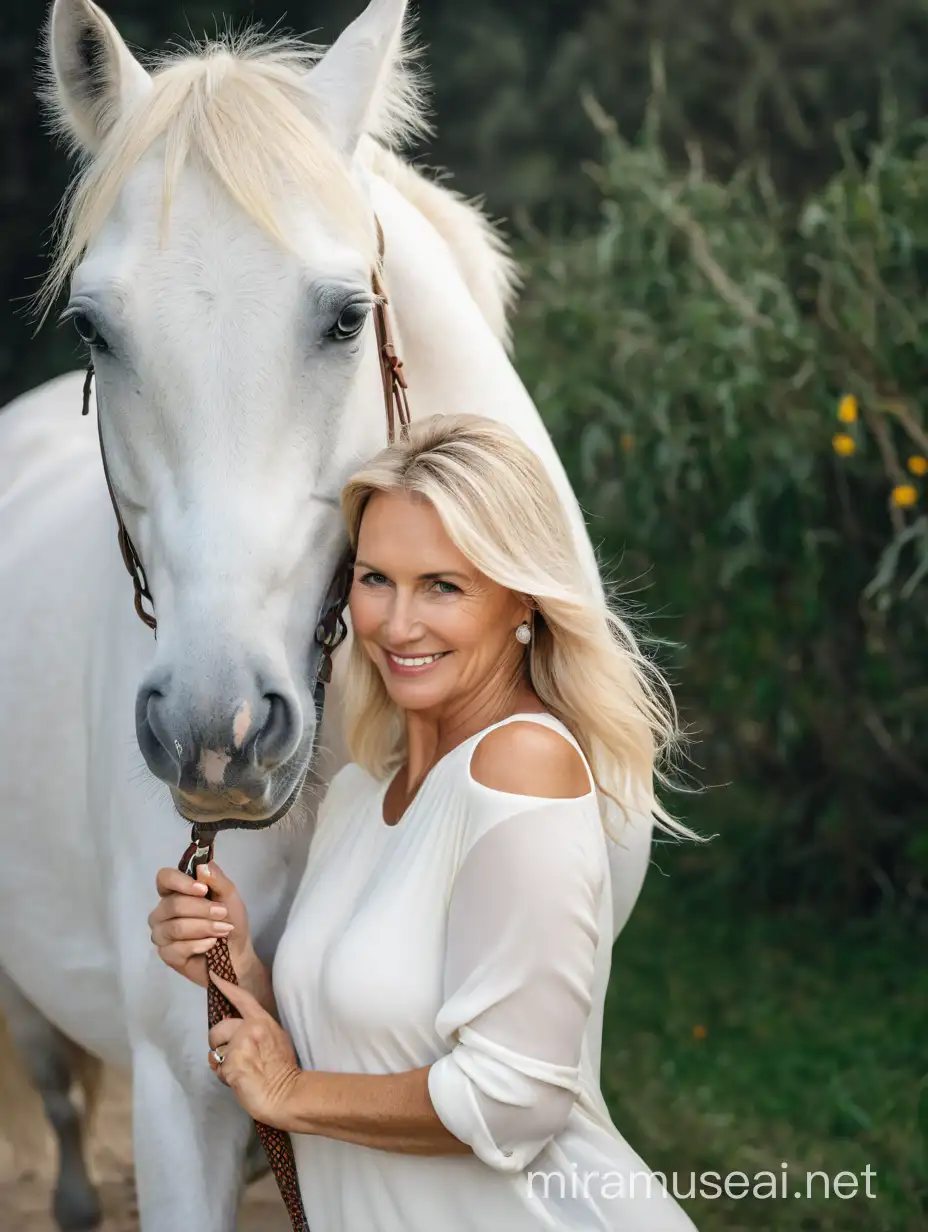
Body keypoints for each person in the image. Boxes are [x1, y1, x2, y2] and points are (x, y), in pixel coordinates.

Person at [149, 414, 699, 1230]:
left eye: (443, 585)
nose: (397, 624)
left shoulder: (522, 769)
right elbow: (363, 1050)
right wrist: (239, 971)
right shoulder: (360, 798)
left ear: (521, 599)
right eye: (376, 579)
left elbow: (514, 1102)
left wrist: (291, 1094)